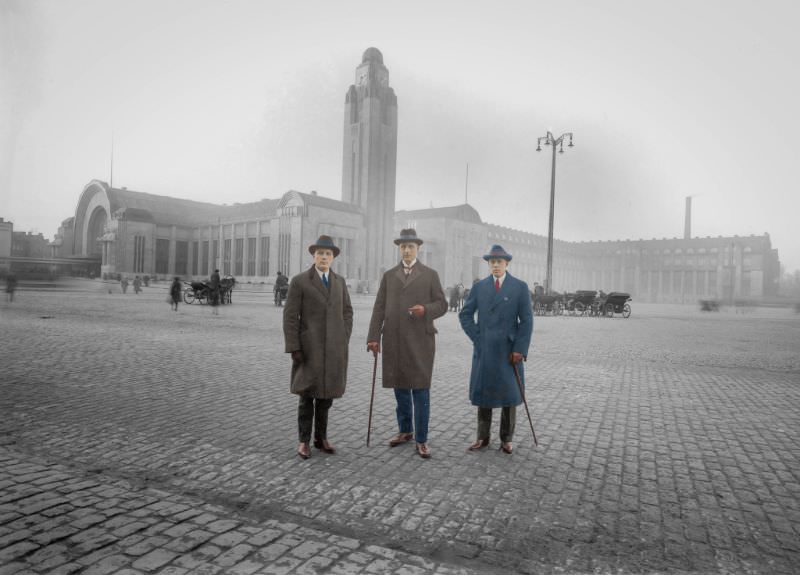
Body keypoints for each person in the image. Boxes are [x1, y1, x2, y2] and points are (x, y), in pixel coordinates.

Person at [367, 228, 447, 459]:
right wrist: (373, 337)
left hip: (421, 341)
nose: (407, 250)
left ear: (418, 248)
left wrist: (426, 310)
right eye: (403, 246)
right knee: (400, 387)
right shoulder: (389, 275)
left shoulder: (430, 274)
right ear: (399, 249)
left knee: (420, 389)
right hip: (394, 339)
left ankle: (421, 439)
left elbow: (442, 304)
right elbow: (379, 307)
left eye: (411, 246)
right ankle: (405, 431)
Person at [459, 245, 533, 455]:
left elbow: (527, 321)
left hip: (509, 351)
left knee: (510, 394)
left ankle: (507, 439)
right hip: (486, 349)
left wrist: (520, 348)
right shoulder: (479, 287)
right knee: (485, 393)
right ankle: (482, 437)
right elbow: (465, 314)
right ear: (489, 264)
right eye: (492, 262)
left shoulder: (519, 287)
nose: (495, 265)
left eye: (499, 262)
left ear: (507, 263)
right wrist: (477, 338)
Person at [283, 235, 353, 459]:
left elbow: (347, 312)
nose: (324, 257)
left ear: (333, 258)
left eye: (328, 254)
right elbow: (290, 316)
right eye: (320, 253)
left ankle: (321, 438)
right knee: (307, 395)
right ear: (314, 256)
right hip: (308, 349)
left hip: (334, 349)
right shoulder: (300, 281)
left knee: (326, 396)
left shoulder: (340, 282)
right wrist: (294, 346)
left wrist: (343, 336)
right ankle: (303, 441)